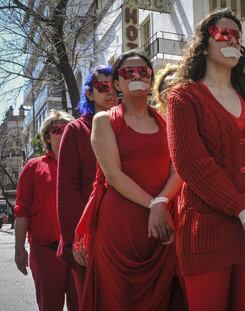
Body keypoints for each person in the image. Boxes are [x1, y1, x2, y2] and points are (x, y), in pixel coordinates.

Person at [166, 9, 245, 311]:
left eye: (237, 36)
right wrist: (244, 211)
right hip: (206, 233)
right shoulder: (183, 97)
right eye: (223, 33)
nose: (232, 40)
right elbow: (191, 163)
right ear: (204, 44)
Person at [73, 50, 183, 311]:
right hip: (120, 228)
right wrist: (155, 205)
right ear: (117, 84)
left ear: (150, 79)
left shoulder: (168, 122)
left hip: (162, 225)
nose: (136, 75)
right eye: (127, 72)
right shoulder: (103, 121)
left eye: (142, 71)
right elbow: (113, 175)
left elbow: (178, 170)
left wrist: (161, 205)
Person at [56, 65, 116, 303]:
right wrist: (75, 241)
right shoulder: (75, 130)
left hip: (120, 236)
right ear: (90, 93)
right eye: (102, 87)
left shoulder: (124, 125)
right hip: (87, 239)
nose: (110, 93)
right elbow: (66, 191)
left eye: (114, 87)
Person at [14, 110, 77, 311]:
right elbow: (22, 211)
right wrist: (18, 249)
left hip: (80, 252)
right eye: (57, 129)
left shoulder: (83, 164)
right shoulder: (33, 167)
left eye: (68, 128)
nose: (63, 132)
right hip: (46, 254)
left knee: (83, 305)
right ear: (47, 137)